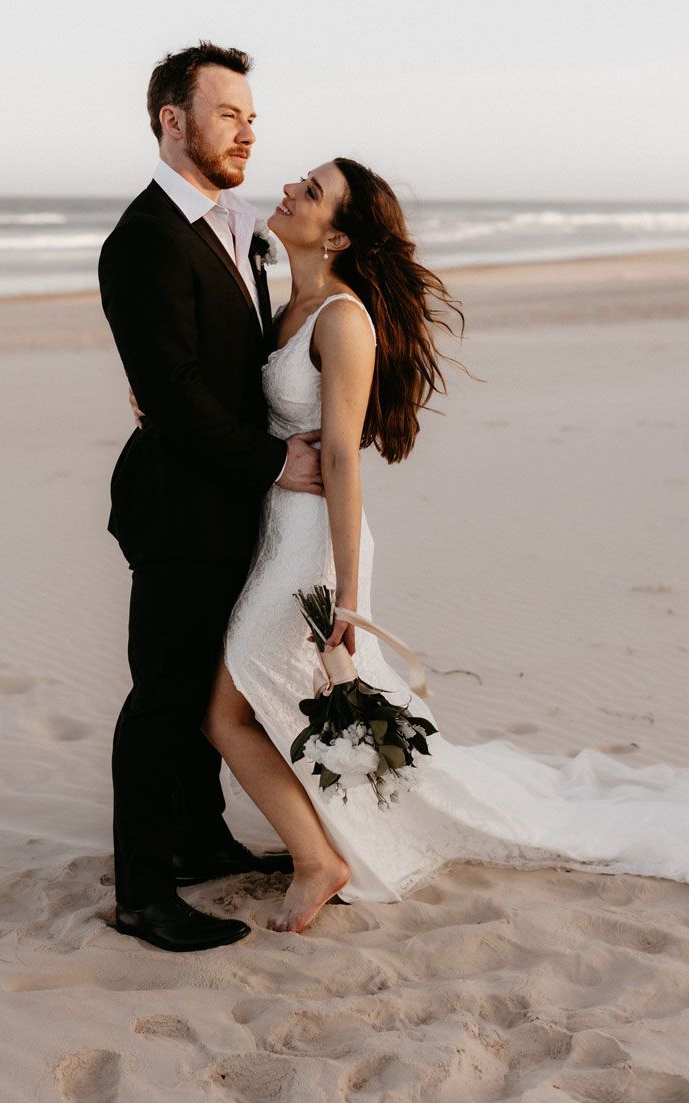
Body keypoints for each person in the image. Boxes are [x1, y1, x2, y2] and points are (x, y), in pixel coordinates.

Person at [200, 156, 689, 934]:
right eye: (301, 180)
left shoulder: (342, 320)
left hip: (311, 547)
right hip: (274, 532)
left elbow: (342, 460)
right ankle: (328, 837)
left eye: (312, 191)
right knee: (263, 704)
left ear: (338, 236)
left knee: (226, 712)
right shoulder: (290, 308)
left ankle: (319, 860)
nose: (290, 188)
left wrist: (351, 597)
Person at [98, 43, 324, 953]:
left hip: (224, 502)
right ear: (172, 121)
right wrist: (278, 460)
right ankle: (145, 891)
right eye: (227, 112)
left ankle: (198, 838)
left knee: (202, 680)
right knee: (163, 693)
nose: (246, 129)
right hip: (178, 507)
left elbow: (227, 359)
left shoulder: (233, 224)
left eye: (250, 115)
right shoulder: (142, 239)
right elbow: (181, 394)